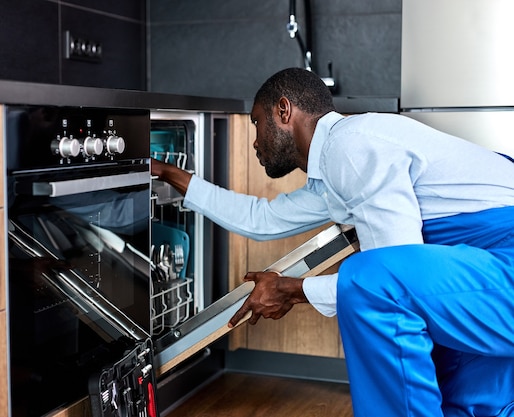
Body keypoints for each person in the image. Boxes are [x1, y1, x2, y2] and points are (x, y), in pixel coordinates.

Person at [151, 67, 514, 417]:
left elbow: (386, 279)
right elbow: (259, 219)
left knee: (370, 279)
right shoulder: (335, 167)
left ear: (283, 110)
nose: (255, 142)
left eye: (257, 123)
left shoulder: (350, 147)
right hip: (485, 273)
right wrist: (171, 174)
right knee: (464, 402)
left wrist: (292, 290)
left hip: (502, 264)